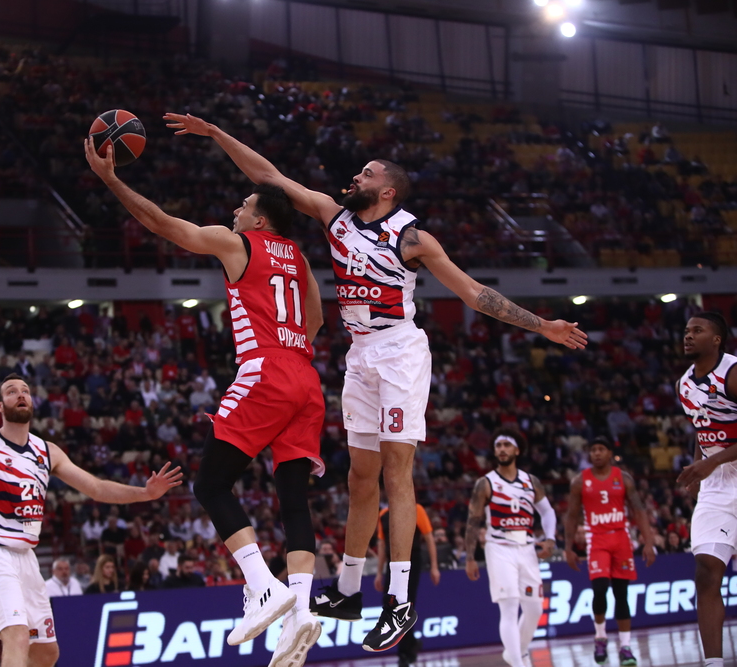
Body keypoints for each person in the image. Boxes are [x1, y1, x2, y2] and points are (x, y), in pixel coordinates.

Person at [164, 112, 587, 652]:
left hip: (399, 352)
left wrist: (542, 325)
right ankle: (347, 589)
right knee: (359, 479)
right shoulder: (333, 216)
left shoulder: (413, 238)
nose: (354, 177)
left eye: (365, 173)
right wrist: (217, 135)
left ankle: (400, 601)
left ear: (387, 191)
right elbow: (270, 178)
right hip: (360, 354)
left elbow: (474, 293)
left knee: (395, 472)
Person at [86, 138, 327, 667]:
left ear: (260, 220)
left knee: (211, 483)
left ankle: (262, 586)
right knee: (293, 497)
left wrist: (110, 180)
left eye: (244, 205)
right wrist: (289, 350)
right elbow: (315, 319)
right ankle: (302, 611)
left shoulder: (237, 242)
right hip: (306, 376)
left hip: (267, 369)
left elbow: (162, 223)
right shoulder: (300, 258)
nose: (236, 209)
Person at [0, 374, 182, 667]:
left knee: (46, 652)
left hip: (27, 557)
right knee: (17, 636)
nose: (21, 395)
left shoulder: (47, 451)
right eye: (12, 391)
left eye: (25, 390)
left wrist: (145, 493)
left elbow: (96, 488)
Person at [465, 428, 557, 667]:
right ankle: (518, 663)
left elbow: (547, 512)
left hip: (527, 548)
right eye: (498, 446)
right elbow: (473, 521)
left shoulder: (531, 481)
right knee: (509, 608)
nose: (502, 449)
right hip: (499, 548)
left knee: (535, 609)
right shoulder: (485, 483)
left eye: (506, 445)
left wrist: (550, 538)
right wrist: (470, 557)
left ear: (517, 450)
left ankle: (517, 652)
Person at [675, 312, 737, 667]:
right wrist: (700, 464)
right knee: (706, 570)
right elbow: (703, 428)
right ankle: (714, 663)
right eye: (686, 331)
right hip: (716, 482)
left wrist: (710, 463)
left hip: (724, 466)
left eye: (697, 330)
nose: (688, 336)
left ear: (717, 339)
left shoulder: (733, 372)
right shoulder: (684, 384)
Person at [564, 437, 657, 666]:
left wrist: (648, 542)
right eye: (593, 450)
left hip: (621, 539)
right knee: (599, 589)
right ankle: (600, 637)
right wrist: (568, 547)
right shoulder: (579, 481)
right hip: (597, 540)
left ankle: (625, 647)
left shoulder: (623, 478)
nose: (596, 453)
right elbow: (572, 515)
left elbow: (639, 510)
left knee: (621, 594)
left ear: (609, 453)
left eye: (601, 449)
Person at [374, 502, 440, 667]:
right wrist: (379, 572)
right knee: (390, 605)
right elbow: (382, 544)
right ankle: (411, 644)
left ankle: (404, 653)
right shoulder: (383, 515)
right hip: (392, 563)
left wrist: (434, 566)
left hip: (412, 561)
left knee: (405, 605)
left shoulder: (416, 509)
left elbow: (428, 537)